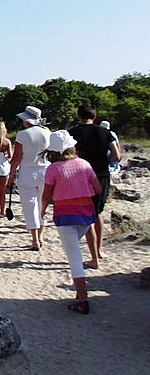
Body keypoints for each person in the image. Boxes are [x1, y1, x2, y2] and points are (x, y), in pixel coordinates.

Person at [40, 130, 100, 314]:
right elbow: (97, 188)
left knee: (74, 258)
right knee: (76, 254)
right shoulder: (84, 164)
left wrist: (42, 210)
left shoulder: (53, 169)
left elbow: (47, 194)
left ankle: (82, 299)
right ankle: (80, 293)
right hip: (85, 213)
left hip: (65, 215)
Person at [69, 105, 121, 268]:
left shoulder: (73, 133)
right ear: (94, 116)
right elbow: (117, 155)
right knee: (97, 211)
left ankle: (92, 256)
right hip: (101, 174)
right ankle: (98, 251)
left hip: (79, 174)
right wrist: (104, 162)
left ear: (79, 116)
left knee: (84, 212)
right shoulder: (105, 133)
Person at [8, 105, 50, 250]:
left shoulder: (23, 134)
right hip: (44, 169)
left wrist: (11, 175)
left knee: (29, 205)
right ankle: (41, 236)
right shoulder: (48, 133)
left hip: (27, 170)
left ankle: (34, 239)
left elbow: (16, 157)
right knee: (42, 204)